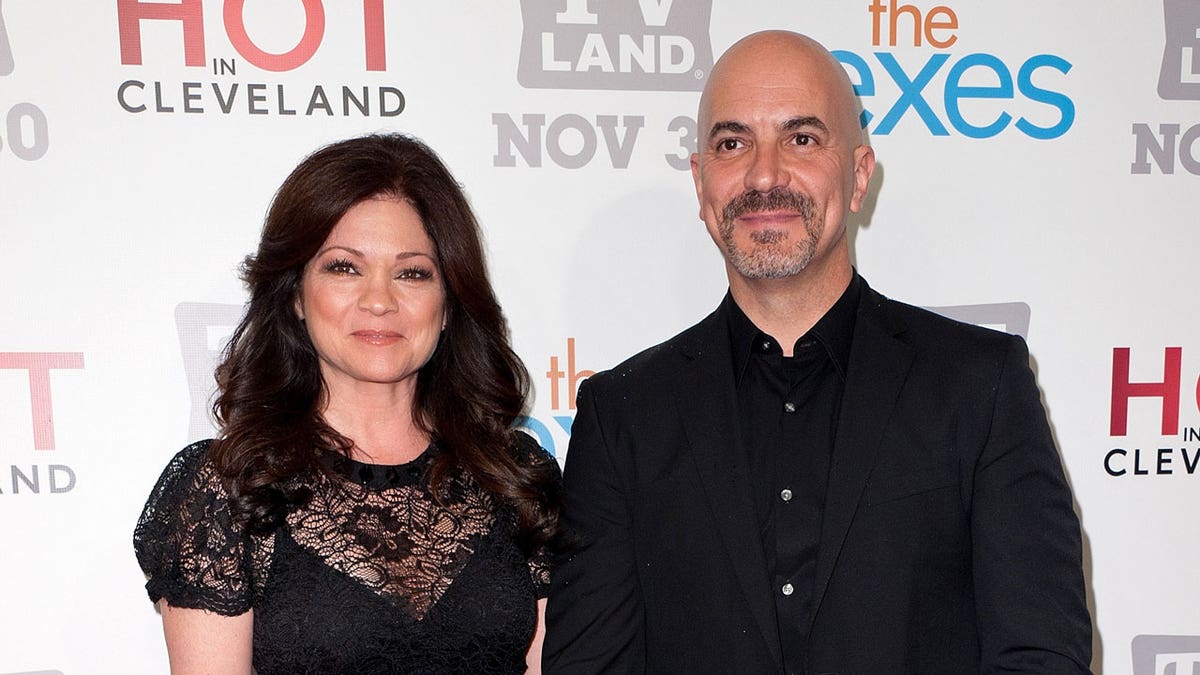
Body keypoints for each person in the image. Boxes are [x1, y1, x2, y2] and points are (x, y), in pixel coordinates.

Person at [543, 30, 1092, 674]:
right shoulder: (624, 413)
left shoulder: (981, 385)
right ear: (700, 183)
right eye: (732, 142)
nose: (764, 174)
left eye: (801, 138)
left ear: (859, 176)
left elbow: (1040, 656)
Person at [134, 133, 560, 674]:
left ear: (449, 303)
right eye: (344, 267)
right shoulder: (229, 488)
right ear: (295, 295)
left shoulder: (514, 473)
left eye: (413, 273)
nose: (379, 300)